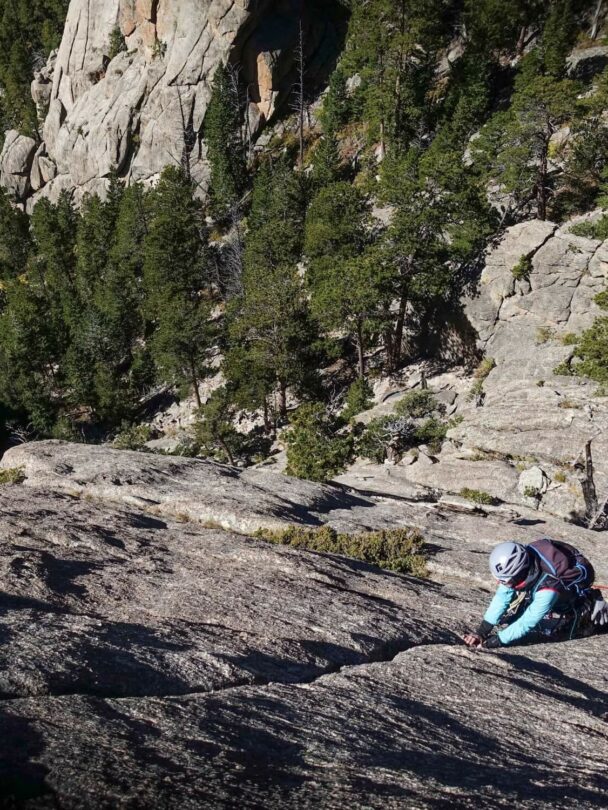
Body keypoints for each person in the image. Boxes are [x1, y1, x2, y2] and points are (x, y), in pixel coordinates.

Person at [463, 539, 608, 649]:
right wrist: (481, 632)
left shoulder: (549, 587)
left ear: (519, 573)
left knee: (559, 627)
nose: (503, 584)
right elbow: (503, 596)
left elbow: (528, 621)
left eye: (506, 581)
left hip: (571, 583)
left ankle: (589, 603)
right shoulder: (521, 566)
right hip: (549, 576)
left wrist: (497, 640)